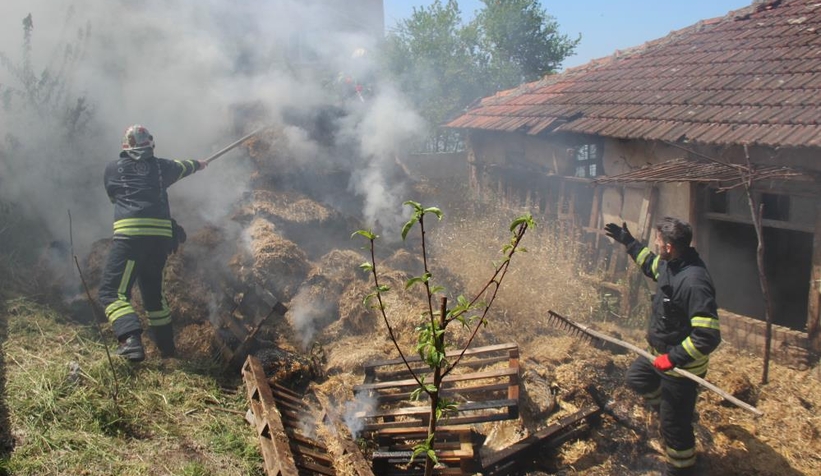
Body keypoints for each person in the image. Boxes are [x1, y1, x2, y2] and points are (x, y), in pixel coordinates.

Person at [605, 217, 721, 476]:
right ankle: (665, 409)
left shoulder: (694, 282)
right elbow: (649, 263)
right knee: (636, 378)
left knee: (674, 429)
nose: (655, 244)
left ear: (669, 246)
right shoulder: (671, 264)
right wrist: (629, 242)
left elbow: (707, 335)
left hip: (682, 369)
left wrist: (673, 358)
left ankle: (681, 469)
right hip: (658, 355)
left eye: (658, 241)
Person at [98, 125, 207, 362]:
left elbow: (114, 197)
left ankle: (130, 341)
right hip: (160, 239)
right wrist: (198, 164)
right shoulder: (161, 166)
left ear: (125, 147)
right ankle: (167, 351)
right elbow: (183, 166)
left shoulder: (112, 169)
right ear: (150, 145)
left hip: (131, 237)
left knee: (112, 292)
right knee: (153, 295)